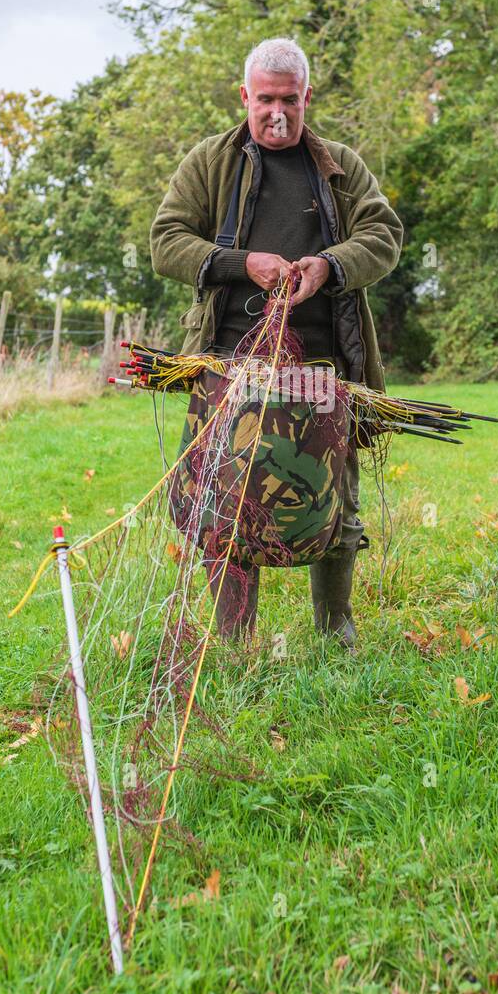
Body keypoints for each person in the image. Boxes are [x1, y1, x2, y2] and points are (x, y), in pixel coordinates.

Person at [149, 37, 403, 647]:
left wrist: (329, 267)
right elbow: (165, 241)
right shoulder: (210, 162)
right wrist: (240, 263)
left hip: (322, 367)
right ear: (245, 96)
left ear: (307, 96)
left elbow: (385, 233)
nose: (278, 114)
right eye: (265, 100)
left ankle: (334, 626)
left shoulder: (339, 165)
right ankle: (236, 641)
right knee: (225, 502)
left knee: (334, 497)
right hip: (229, 365)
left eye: (290, 100)